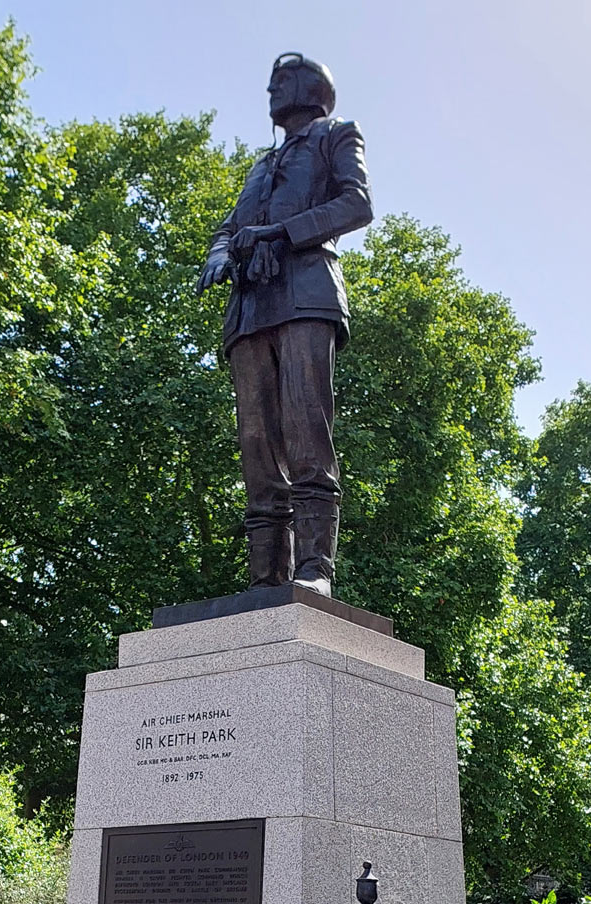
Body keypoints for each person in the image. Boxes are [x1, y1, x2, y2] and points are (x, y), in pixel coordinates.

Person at [197, 53, 373, 595]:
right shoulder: (260, 165)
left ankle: (315, 568)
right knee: (255, 442)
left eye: (281, 82)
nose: (271, 91)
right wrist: (221, 253)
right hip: (251, 307)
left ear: (310, 88)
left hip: (306, 295)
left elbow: (356, 204)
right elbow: (230, 227)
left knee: (305, 430)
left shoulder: (337, 135)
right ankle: (265, 577)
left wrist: (280, 234)